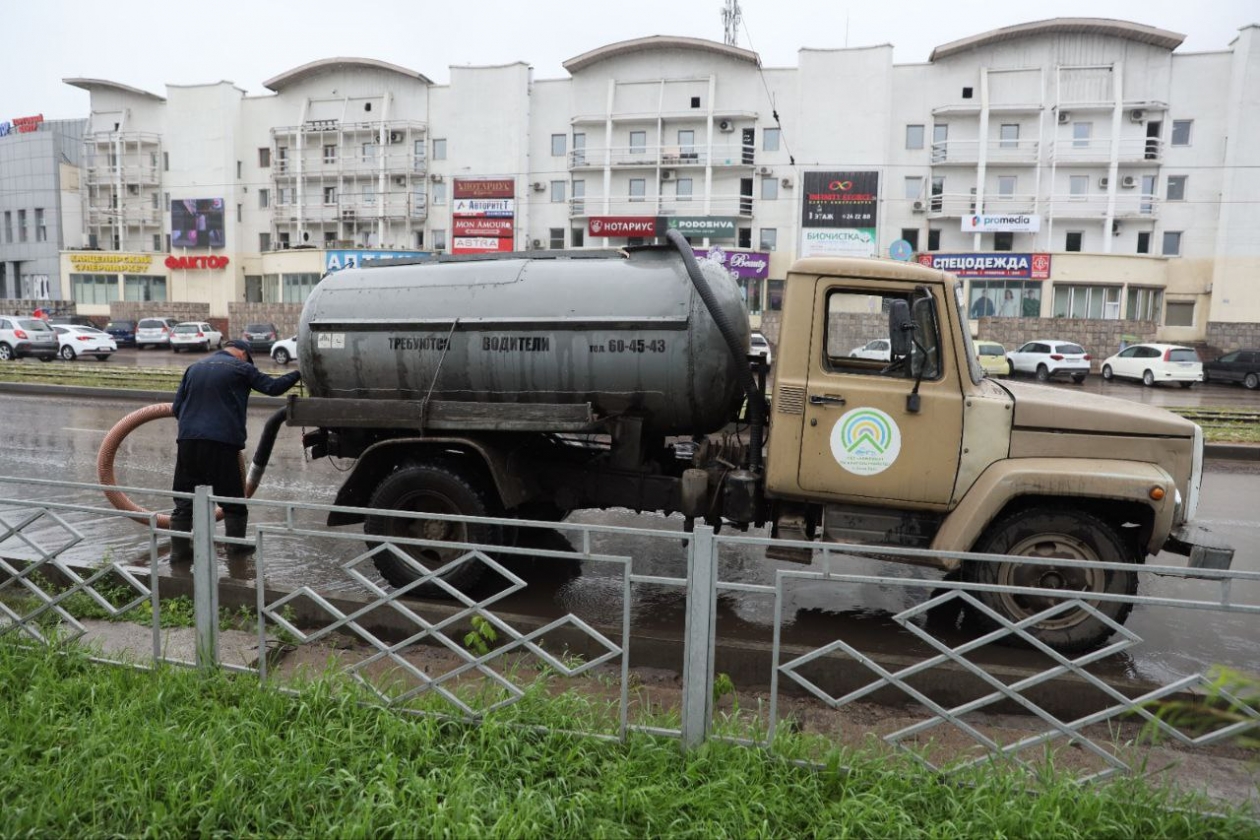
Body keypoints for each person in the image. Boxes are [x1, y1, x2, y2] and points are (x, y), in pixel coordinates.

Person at [169, 339, 301, 563]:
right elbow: (273, 388)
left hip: (188, 442)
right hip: (222, 443)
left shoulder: (194, 367)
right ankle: (236, 549)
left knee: (184, 500)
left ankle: (179, 553)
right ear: (242, 353)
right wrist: (299, 373)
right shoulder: (242, 368)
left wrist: (195, 427)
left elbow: (175, 408)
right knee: (233, 501)